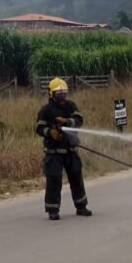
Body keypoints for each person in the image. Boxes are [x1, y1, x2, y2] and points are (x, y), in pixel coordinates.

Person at [35, 78, 92, 220]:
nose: (62, 97)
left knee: (76, 177)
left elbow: (79, 121)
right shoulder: (46, 110)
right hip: (54, 152)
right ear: (51, 94)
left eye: (64, 93)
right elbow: (39, 128)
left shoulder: (71, 106)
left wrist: (67, 121)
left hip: (71, 150)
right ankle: (53, 210)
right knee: (54, 179)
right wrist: (50, 132)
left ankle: (81, 206)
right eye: (59, 94)